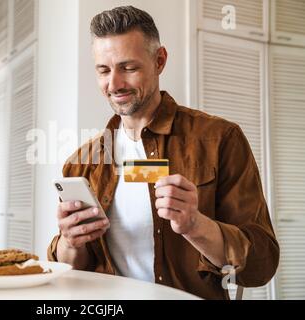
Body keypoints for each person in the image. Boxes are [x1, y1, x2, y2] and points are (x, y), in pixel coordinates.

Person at [47, 5, 279, 300]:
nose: (114, 84)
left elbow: (262, 263)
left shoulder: (221, 139)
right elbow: (69, 271)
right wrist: (70, 242)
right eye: (104, 70)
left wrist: (196, 226)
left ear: (160, 60)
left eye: (128, 68)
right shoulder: (81, 163)